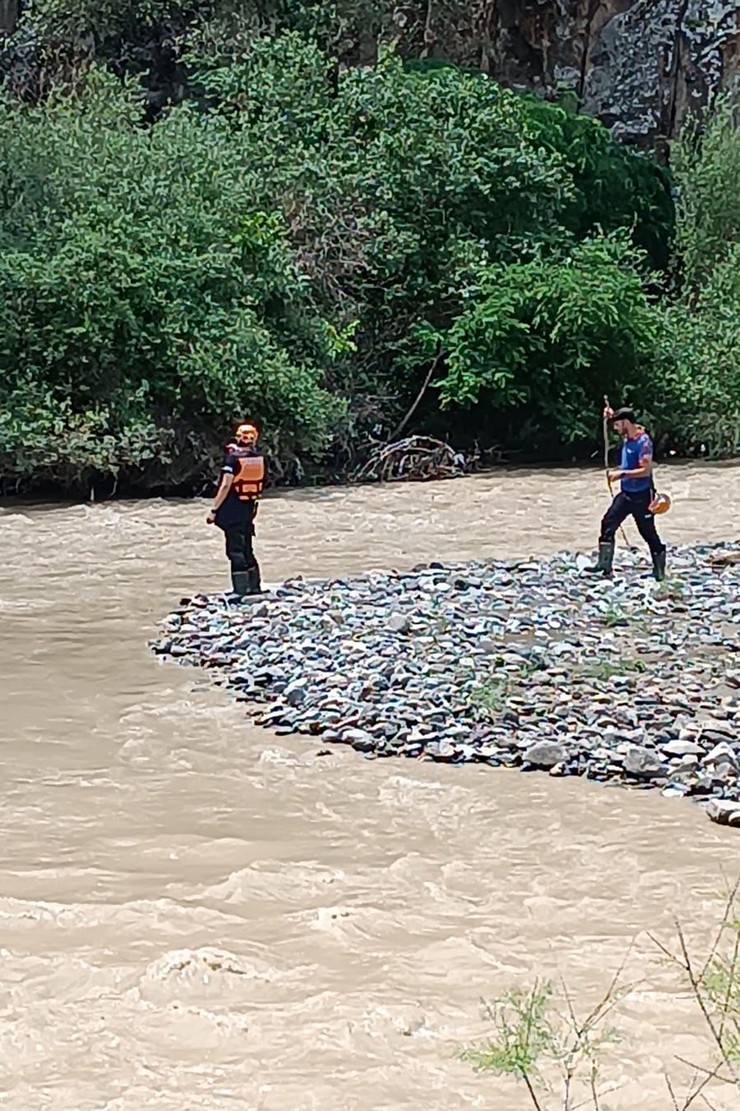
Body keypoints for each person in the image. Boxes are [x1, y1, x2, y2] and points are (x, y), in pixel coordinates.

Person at [586, 405, 667, 581]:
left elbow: (645, 471)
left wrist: (620, 474)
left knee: (648, 533)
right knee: (608, 523)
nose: (615, 428)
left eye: (617, 424)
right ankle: (604, 567)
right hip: (626, 494)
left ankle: (659, 571)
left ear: (626, 423)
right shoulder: (627, 436)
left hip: (642, 495)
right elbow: (618, 421)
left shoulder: (643, 442)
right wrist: (609, 415)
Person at [206, 421, 266, 597]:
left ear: (239, 437)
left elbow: (225, 486)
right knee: (247, 547)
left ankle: (240, 590)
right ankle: (254, 587)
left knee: (235, 549)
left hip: (232, 509)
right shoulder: (258, 458)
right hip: (249, 509)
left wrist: (214, 510)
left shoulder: (232, 459)